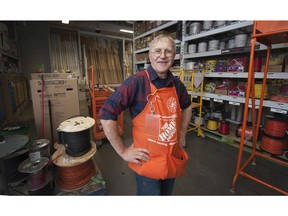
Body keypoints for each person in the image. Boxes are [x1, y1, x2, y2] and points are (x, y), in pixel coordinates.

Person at [99, 34, 193, 195]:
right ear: (150, 56)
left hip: (171, 159)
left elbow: (188, 106)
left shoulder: (177, 85)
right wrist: (123, 151)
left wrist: (182, 133)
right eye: (157, 51)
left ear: (174, 56)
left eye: (168, 51)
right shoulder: (136, 82)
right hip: (147, 162)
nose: (163, 56)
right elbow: (107, 113)